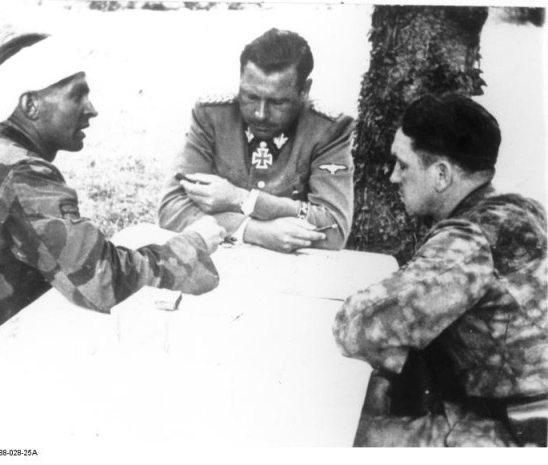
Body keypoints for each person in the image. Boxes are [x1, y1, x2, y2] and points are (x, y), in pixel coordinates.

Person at [0, 33, 225, 393]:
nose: (92, 109)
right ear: (30, 105)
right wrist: (195, 244)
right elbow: (103, 282)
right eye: (78, 94)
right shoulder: (20, 172)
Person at [334, 94, 547, 447]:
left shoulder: (469, 239)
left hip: (506, 436)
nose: (392, 177)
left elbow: (359, 326)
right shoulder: (522, 210)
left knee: (338, 433)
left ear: (442, 174)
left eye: (403, 165)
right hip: (528, 420)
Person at [158, 28, 354, 253]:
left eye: (277, 102)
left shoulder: (328, 130)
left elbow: (334, 229)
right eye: (250, 96)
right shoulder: (212, 116)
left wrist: (242, 199)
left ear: (304, 90)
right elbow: (171, 209)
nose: (260, 114)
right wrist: (254, 231)